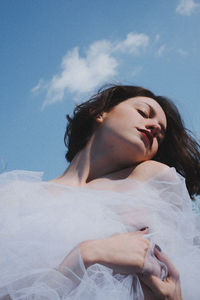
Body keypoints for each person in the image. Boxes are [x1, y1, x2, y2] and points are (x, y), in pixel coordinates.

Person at [0, 85, 199, 300]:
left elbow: (173, 283)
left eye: (160, 136)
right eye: (143, 112)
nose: (154, 127)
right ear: (100, 113)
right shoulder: (14, 196)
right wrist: (86, 255)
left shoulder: (155, 181)